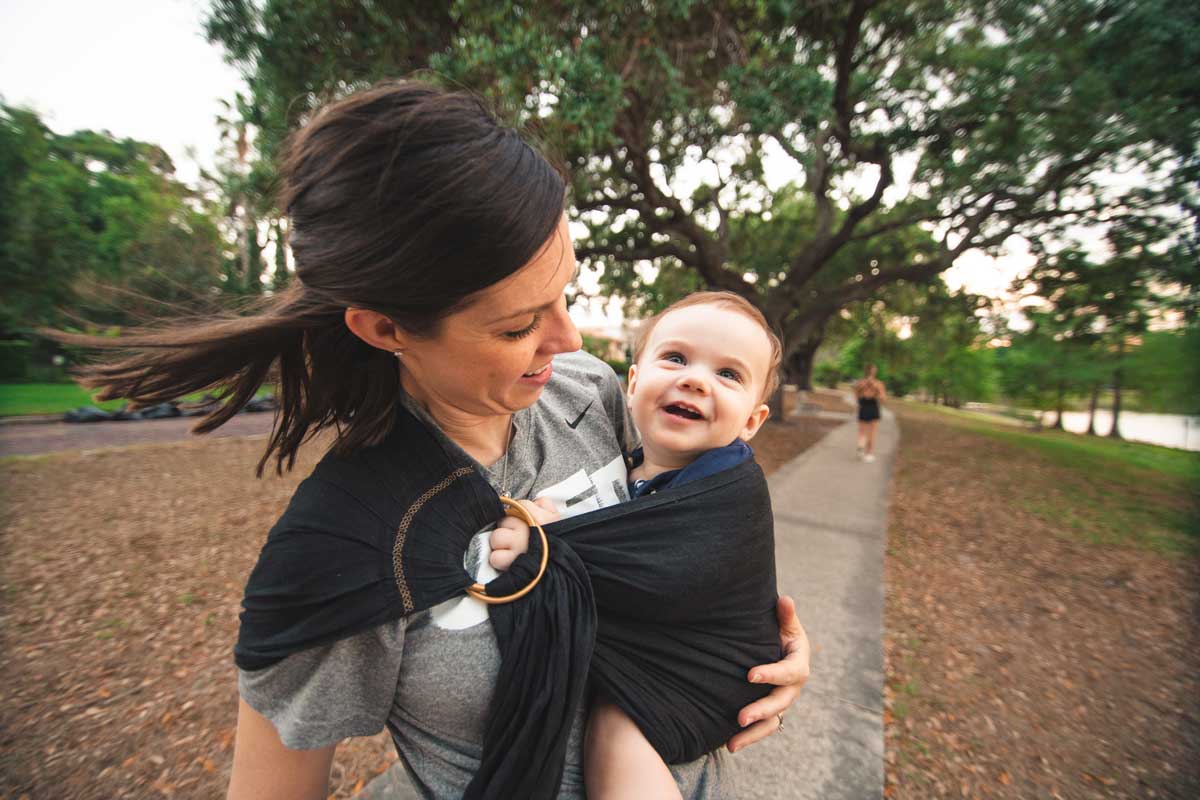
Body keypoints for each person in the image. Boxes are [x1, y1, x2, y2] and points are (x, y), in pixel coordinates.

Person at [59, 81, 810, 799]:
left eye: (565, 292)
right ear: (385, 328)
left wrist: (751, 655)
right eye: (518, 326)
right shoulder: (346, 547)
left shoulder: (588, 391)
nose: (570, 338)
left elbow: (676, 537)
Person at [489, 291, 781, 799]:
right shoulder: (629, 467)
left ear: (751, 422)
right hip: (662, 657)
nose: (694, 379)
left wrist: (547, 546)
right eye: (675, 358)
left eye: (728, 374)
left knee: (616, 731)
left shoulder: (730, 485)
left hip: (707, 675)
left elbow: (674, 574)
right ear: (633, 382)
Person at [854, 364, 886, 462]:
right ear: (874, 372)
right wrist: (876, 390)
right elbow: (883, 398)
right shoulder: (878, 384)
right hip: (871, 406)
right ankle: (868, 453)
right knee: (871, 432)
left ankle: (861, 447)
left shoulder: (861, 383)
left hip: (865, 406)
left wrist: (860, 402)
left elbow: (857, 396)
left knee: (862, 431)